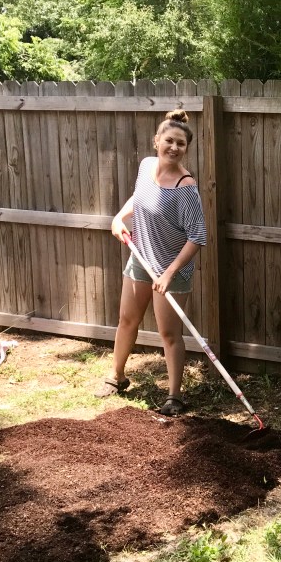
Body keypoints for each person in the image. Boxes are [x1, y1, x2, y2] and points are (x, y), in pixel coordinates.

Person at [95, 109, 207, 416]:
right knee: (126, 319)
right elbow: (138, 197)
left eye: (180, 144)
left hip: (172, 269)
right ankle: (117, 377)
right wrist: (120, 217)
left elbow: (197, 236)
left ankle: (174, 396)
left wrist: (170, 273)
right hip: (141, 258)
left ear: (186, 148)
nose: (173, 147)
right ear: (156, 141)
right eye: (168, 140)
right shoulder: (146, 167)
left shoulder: (186, 189)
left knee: (169, 334)